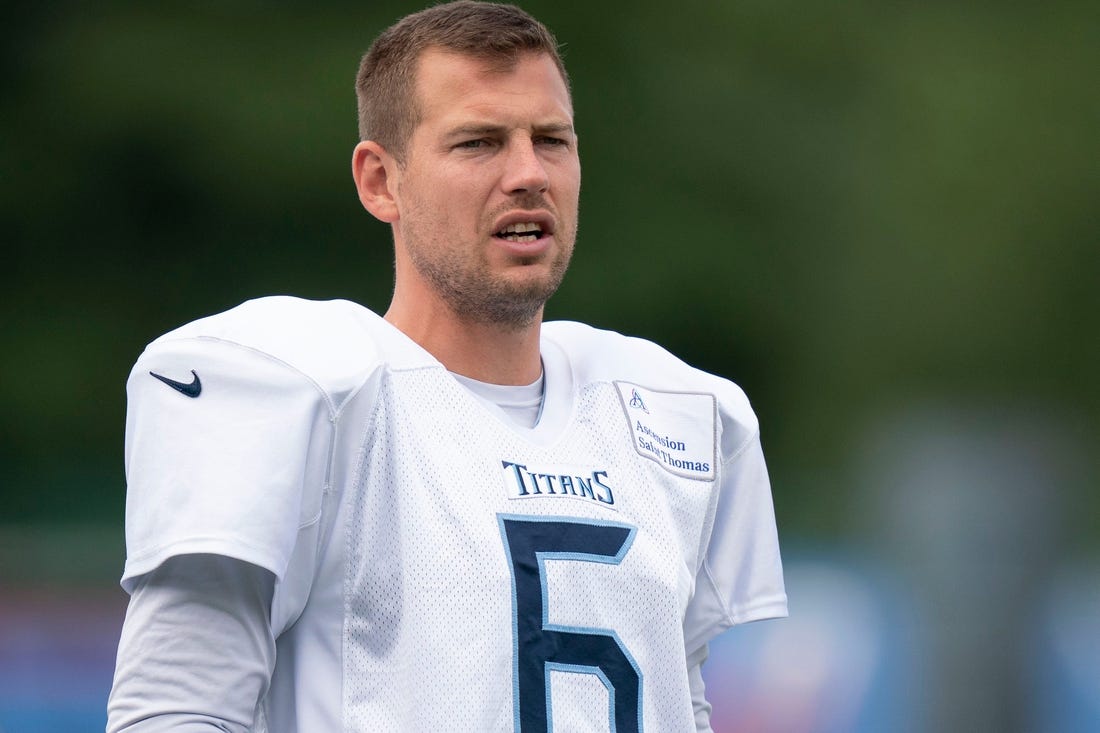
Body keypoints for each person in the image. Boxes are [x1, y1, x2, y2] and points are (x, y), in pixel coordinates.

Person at [106, 2, 787, 731]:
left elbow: (681, 702)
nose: (528, 173)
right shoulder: (310, 390)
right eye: (480, 142)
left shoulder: (669, 413)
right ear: (380, 181)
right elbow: (175, 709)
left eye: (552, 139)